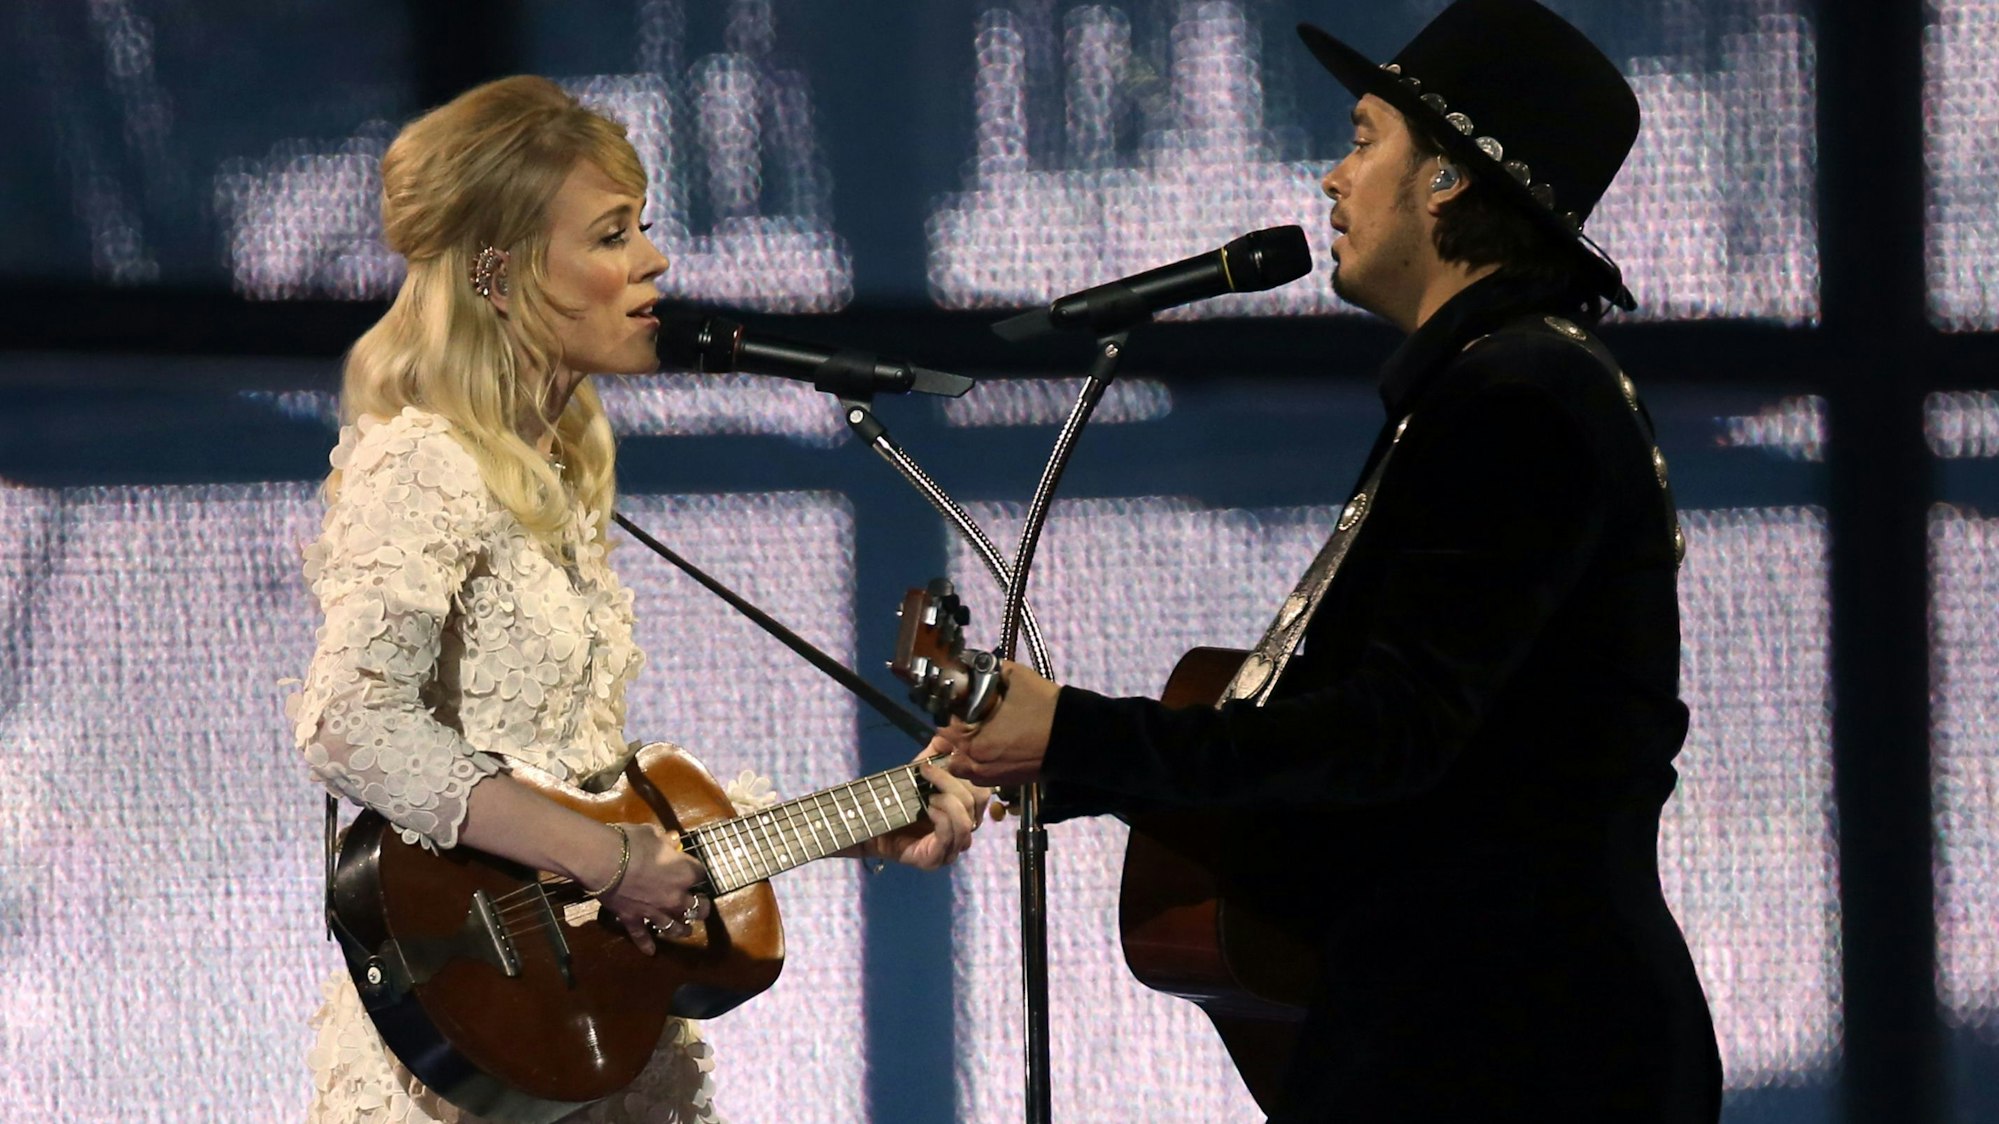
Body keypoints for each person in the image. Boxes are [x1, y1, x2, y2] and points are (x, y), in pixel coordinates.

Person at [937, 2, 1723, 1120]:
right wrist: (1047, 764)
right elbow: (1371, 742)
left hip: (1519, 1051)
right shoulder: (1481, 390)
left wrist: (1075, 733)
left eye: (1362, 139)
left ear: (1446, 178)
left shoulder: (1519, 401)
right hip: (1473, 1032)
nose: (1330, 179)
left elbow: (1388, 731)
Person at [286, 76, 987, 1124]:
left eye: (644, 229)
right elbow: (350, 723)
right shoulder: (424, 462)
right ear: (501, 271)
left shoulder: (555, 479)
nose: (654, 262)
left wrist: (868, 820)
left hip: (597, 1036)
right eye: (613, 234)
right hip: (468, 1046)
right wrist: (607, 858)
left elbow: (598, 792)